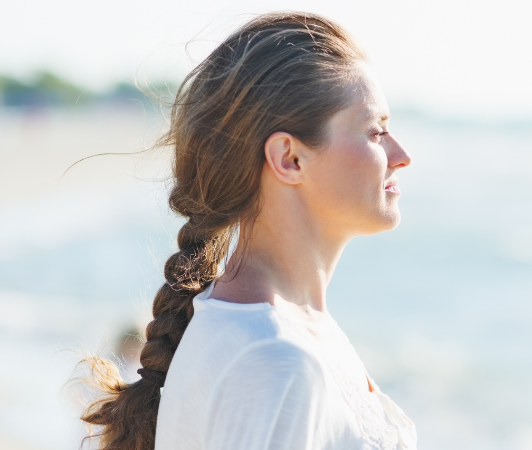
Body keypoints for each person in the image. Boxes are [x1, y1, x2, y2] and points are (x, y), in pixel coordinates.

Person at [78, 12, 416, 450]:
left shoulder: (274, 328)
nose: (401, 154)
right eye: (377, 132)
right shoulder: (274, 359)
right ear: (289, 159)